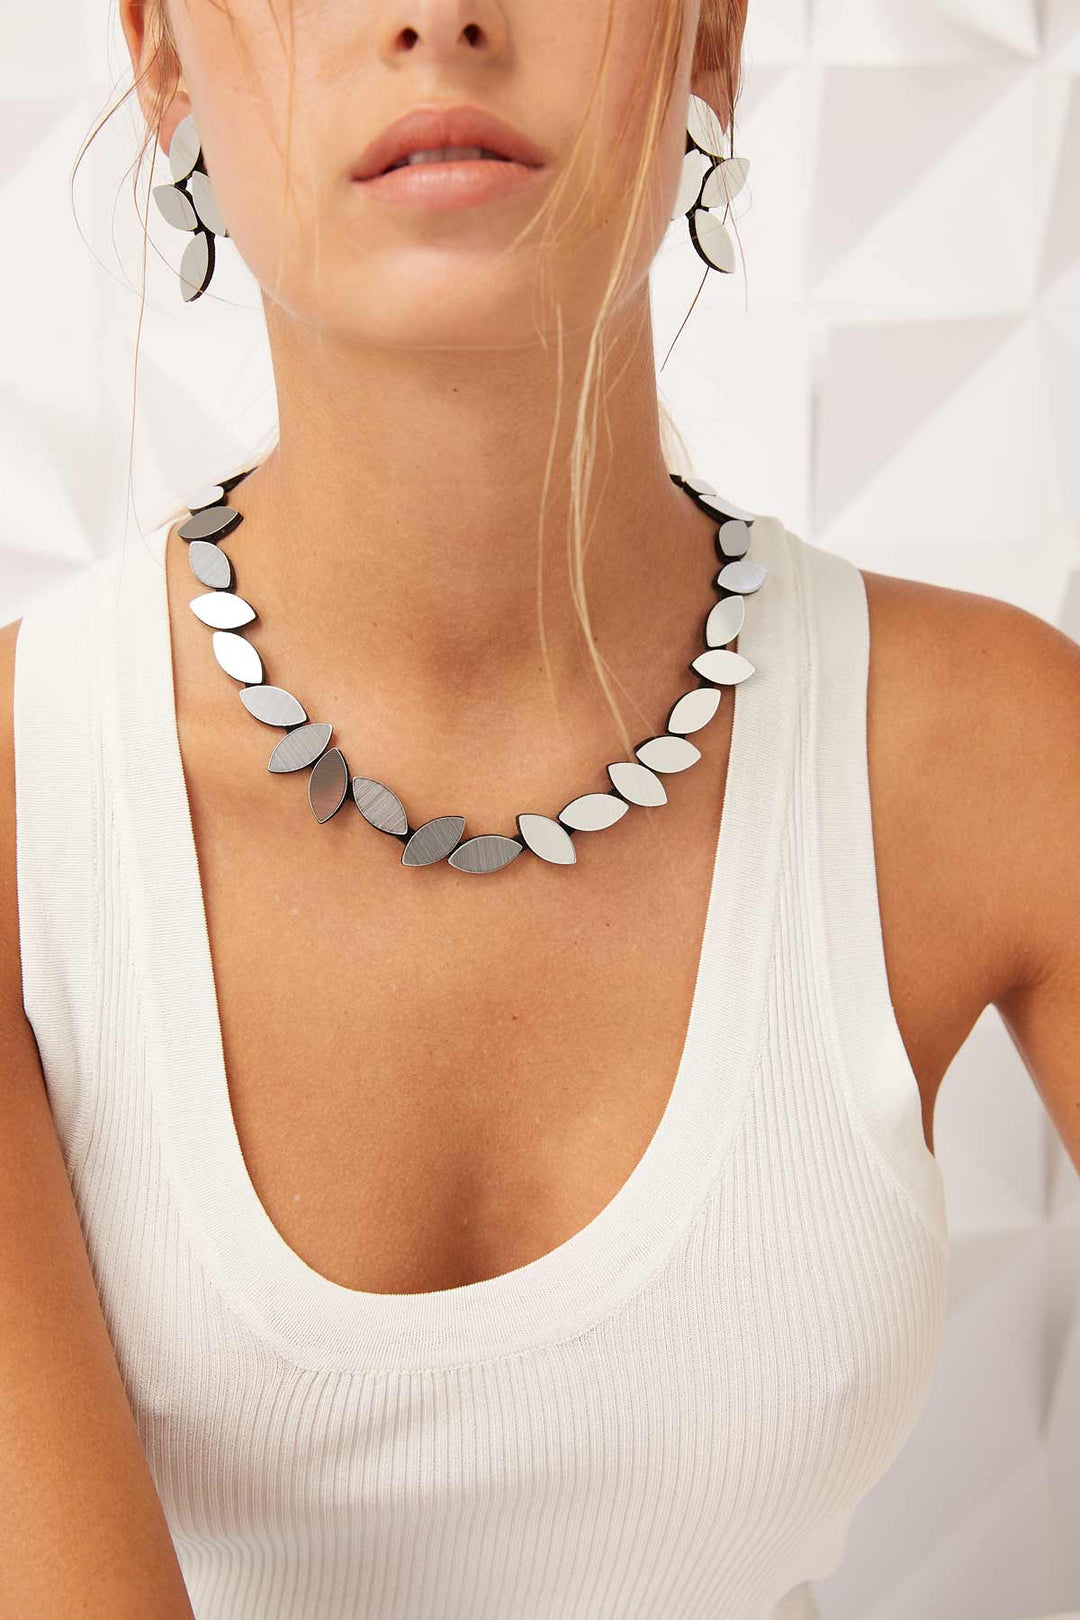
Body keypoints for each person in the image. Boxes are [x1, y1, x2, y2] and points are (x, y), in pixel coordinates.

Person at [0, 1, 1077, 1616]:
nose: (439, 19)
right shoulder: (24, 805)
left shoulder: (987, 751)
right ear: (161, 56)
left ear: (710, 38)